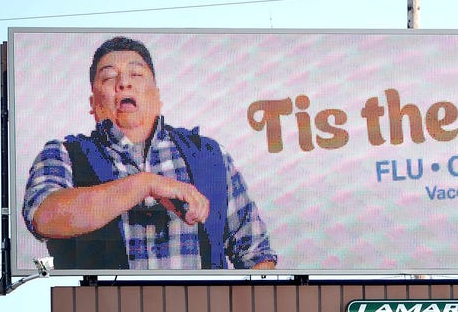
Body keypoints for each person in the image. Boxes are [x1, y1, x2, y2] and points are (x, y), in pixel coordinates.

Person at [23, 36, 277, 270]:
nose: (124, 83)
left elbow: (257, 255)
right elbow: (43, 218)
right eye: (109, 77)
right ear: (93, 104)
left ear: (157, 96)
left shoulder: (210, 155)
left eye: (136, 73)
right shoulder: (63, 154)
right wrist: (146, 184)